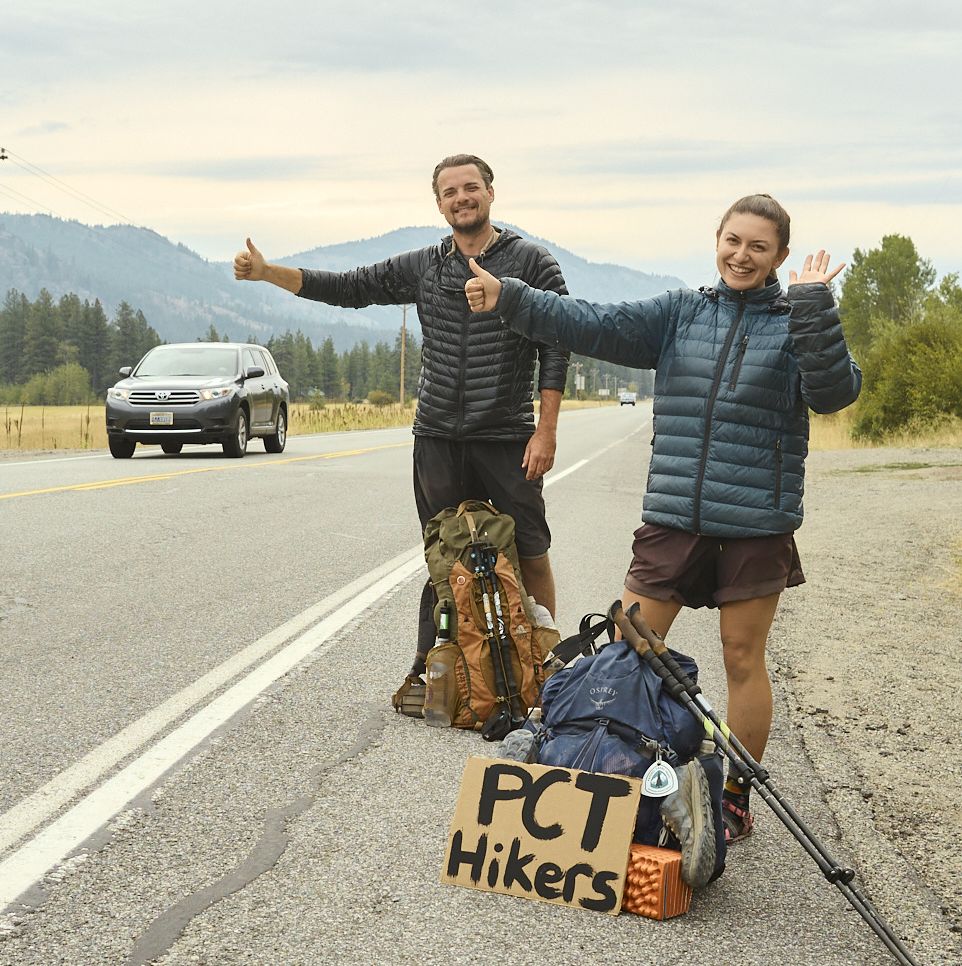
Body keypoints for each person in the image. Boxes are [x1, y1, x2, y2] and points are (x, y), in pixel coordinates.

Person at [464, 193, 860, 844]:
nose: (742, 255)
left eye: (759, 247)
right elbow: (591, 322)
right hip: (675, 514)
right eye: (733, 240)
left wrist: (815, 303)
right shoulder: (680, 312)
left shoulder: (796, 323)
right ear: (717, 239)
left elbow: (833, 390)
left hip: (757, 520)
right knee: (630, 648)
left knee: (741, 658)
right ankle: (606, 768)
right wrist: (510, 297)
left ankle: (734, 793)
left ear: (781, 257)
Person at [233, 153, 570, 683]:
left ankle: (550, 664)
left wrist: (545, 430)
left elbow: (557, 344)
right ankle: (433, 668)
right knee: (443, 556)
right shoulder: (424, 266)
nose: (461, 198)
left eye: (471, 188)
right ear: (438, 204)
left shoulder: (533, 262)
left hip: (507, 434)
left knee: (529, 550)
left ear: (490, 192)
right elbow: (348, 287)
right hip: (436, 435)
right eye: (450, 192)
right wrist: (268, 272)